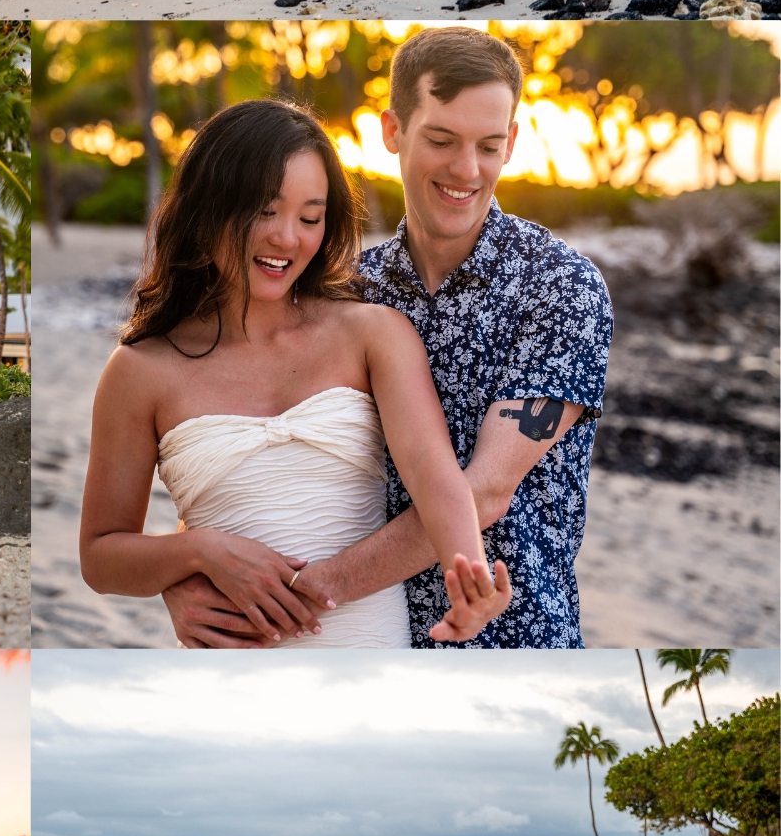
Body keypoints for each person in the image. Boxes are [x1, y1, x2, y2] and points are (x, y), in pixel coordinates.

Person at [161, 28, 613, 649]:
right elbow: (247, 440)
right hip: (361, 638)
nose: (466, 168)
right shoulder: (345, 289)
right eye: (441, 139)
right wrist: (192, 575)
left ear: (512, 143)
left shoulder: (561, 287)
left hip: (509, 637)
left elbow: (480, 494)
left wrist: (304, 595)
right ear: (392, 132)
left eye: (488, 145)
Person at [80, 95, 513, 646]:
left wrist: (467, 573)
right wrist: (199, 552)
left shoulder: (371, 333)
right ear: (208, 207)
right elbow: (100, 556)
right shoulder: (139, 371)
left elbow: (435, 472)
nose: (288, 238)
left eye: (310, 217)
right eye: (265, 210)